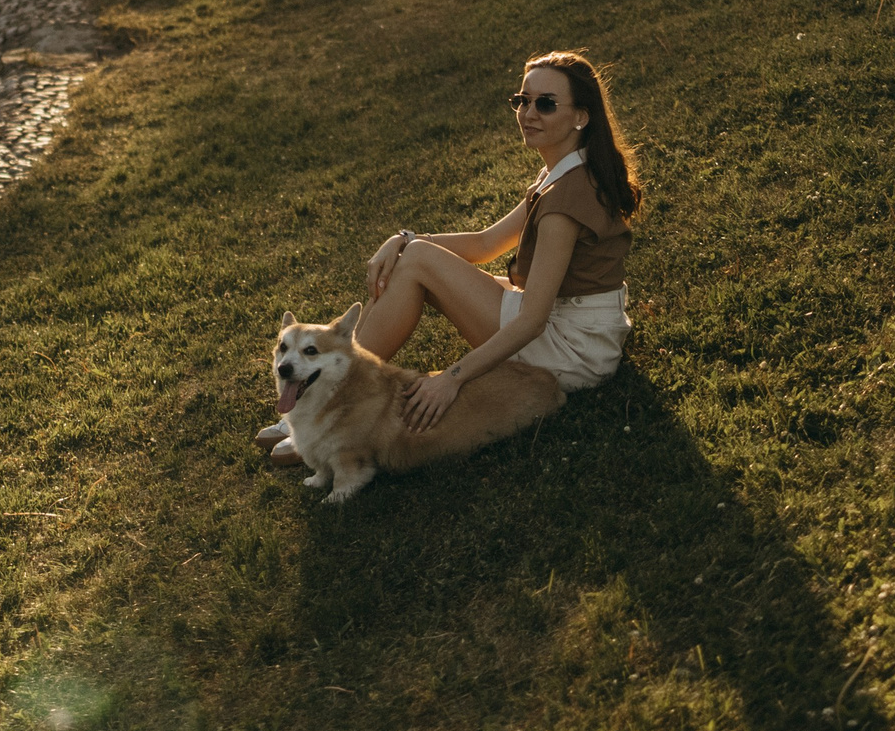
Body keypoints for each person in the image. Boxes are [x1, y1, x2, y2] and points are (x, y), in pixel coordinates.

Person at [260, 49, 642, 462]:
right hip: (565, 321)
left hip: (574, 349)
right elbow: (485, 244)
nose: (529, 113)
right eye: (523, 101)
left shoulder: (567, 197)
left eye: (545, 104)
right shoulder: (562, 172)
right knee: (412, 261)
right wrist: (403, 239)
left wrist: (452, 379)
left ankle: (324, 405)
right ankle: (323, 395)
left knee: (420, 260)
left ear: (580, 117)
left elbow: (532, 320)